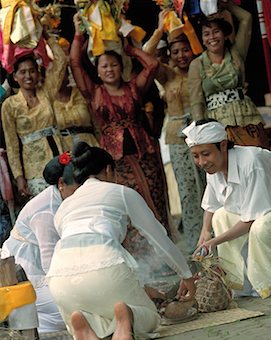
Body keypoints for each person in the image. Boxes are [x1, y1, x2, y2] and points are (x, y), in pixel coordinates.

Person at [47, 142, 195, 340]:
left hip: (60, 282)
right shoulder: (122, 192)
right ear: (108, 170)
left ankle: (85, 326)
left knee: (91, 305)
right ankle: (127, 319)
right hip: (106, 271)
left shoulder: (64, 207)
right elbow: (158, 238)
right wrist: (187, 275)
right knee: (151, 316)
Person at [69, 13, 170, 242]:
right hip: (115, 159)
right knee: (126, 203)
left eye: (114, 64)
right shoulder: (94, 93)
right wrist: (78, 35)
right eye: (104, 66)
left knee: (154, 200)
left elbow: (152, 64)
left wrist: (130, 49)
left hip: (145, 152)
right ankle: (138, 257)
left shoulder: (134, 87)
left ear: (121, 66)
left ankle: (163, 253)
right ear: (97, 71)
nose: (110, 69)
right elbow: (74, 62)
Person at [182, 119, 271, 299]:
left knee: (263, 227)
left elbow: (251, 220)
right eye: (196, 156)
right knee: (221, 216)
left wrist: (213, 242)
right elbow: (212, 205)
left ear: (223, 145)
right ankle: (241, 282)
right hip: (269, 210)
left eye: (205, 154)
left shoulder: (251, 162)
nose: (202, 162)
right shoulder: (214, 167)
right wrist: (205, 232)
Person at [144, 9, 206, 253]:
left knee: (209, 187)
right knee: (188, 192)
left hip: (202, 133)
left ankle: (216, 238)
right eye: (176, 51)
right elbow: (145, 56)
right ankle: (195, 243)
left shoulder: (201, 67)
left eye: (185, 49)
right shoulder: (167, 74)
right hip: (177, 137)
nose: (181, 55)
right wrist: (160, 28)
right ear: (169, 54)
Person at [1, 154, 79, 333]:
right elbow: (49, 263)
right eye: (77, 187)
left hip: (40, 270)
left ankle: (37, 318)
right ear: (61, 184)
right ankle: (35, 320)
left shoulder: (61, 198)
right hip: (24, 273)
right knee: (75, 306)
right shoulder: (45, 209)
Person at [188, 0, 269, 148]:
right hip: (218, 124)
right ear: (202, 40)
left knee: (257, 160)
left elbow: (246, 18)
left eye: (216, 31)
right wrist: (201, 129)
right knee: (231, 167)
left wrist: (225, 5)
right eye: (206, 34)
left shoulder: (236, 54)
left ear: (225, 35)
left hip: (246, 117)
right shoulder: (197, 65)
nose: (212, 37)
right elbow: (196, 102)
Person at [1, 31, 67, 198]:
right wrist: (19, 177)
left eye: (32, 71)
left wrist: (44, 35)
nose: (28, 76)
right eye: (22, 72)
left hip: (61, 157)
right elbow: (12, 145)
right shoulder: (10, 105)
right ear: (14, 77)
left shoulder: (46, 92)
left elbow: (61, 60)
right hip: (34, 169)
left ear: (38, 73)